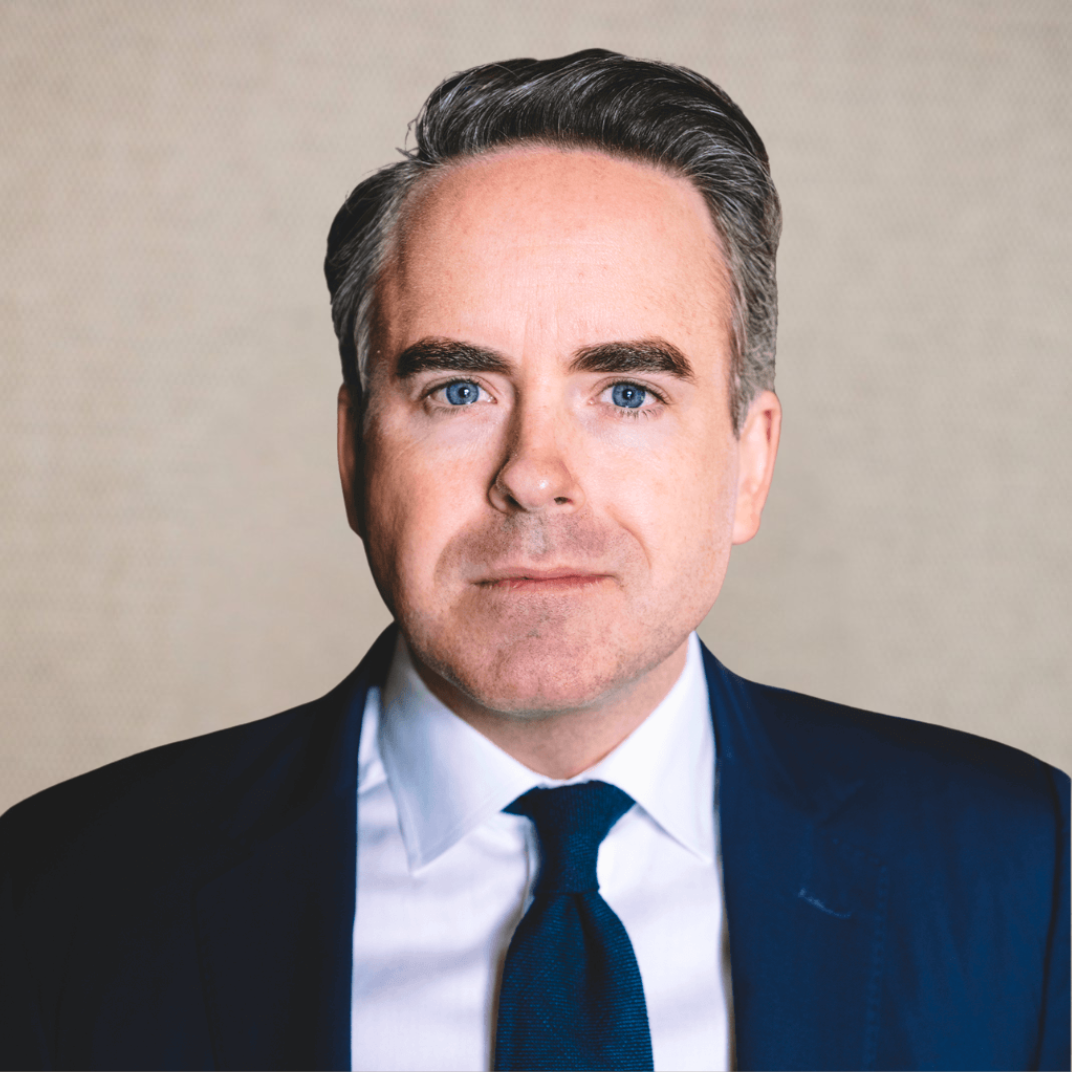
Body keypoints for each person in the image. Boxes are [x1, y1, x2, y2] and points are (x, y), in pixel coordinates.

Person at [0, 49, 1067, 1072]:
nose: (534, 474)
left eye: (628, 392)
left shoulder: (1028, 878)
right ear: (353, 452)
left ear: (750, 461)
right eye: (458, 390)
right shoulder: (53, 894)